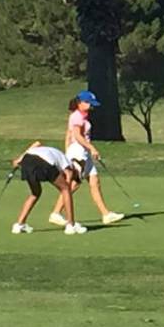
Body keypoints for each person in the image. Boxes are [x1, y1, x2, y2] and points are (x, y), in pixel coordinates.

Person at [49, 91, 125, 226]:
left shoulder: (83, 116)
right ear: (80, 103)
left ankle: (105, 214)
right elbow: (77, 136)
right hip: (78, 153)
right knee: (74, 184)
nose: (91, 106)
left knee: (94, 181)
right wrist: (91, 148)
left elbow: (69, 134)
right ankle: (56, 213)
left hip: (83, 153)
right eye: (89, 103)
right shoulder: (76, 116)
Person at [12, 141, 88, 235]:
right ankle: (71, 225)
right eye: (76, 177)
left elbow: (36, 144)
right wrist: (67, 187)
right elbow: (67, 181)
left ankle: (19, 224)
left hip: (27, 160)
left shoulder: (59, 157)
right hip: (43, 162)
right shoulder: (70, 166)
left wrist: (19, 159)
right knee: (66, 190)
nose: (74, 179)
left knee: (35, 193)